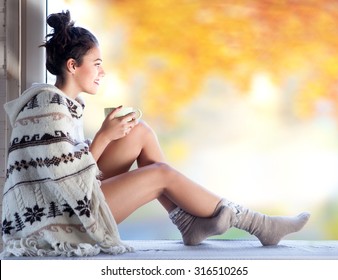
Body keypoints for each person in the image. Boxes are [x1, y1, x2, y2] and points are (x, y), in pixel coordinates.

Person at [1, 10, 310, 257]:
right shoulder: (46, 108)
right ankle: (260, 225)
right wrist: (104, 137)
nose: (102, 72)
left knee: (140, 132)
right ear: (72, 65)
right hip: (59, 221)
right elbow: (60, 183)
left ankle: (186, 222)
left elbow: (64, 166)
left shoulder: (62, 104)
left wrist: (113, 134)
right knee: (160, 174)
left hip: (72, 200)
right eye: (96, 63)